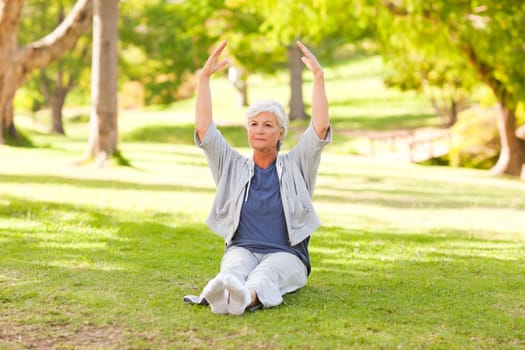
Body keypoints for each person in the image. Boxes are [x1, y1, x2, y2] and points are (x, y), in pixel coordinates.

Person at [189, 40, 331, 315]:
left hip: (288, 255)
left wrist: (318, 78)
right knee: (233, 269)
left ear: (281, 133)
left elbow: (320, 127)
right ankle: (224, 292)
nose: (259, 130)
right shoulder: (232, 165)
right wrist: (204, 79)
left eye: (268, 125)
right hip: (243, 248)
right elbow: (204, 128)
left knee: (265, 276)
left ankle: (245, 298)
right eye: (253, 124)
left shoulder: (297, 163)